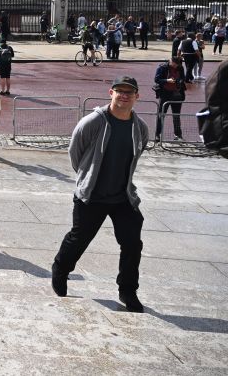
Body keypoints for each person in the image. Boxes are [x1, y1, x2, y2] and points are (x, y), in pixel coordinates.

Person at [51, 76, 149, 313]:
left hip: (122, 197)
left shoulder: (140, 127)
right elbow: (76, 151)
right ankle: (60, 269)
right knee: (79, 238)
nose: (124, 96)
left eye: (129, 92)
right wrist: (87, 176)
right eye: (119, 91)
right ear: (111, 93)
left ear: (137, 96)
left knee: (132, 244)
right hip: (92, 195)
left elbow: (138, 152)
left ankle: (127, 291)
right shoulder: (94, 121)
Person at [153, 57, 186, 141]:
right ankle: (157, 134)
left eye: (176, 64)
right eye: (173, 64)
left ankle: (178, 135)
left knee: (176, 115)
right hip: (165, 94)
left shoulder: (180, 68)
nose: (175, 66)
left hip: (177, 94)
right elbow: (157, 79)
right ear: (170, 61)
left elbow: (183, 77)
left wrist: (180, 81)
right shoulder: (163, 67)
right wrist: (167, 80)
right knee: (161, 114)